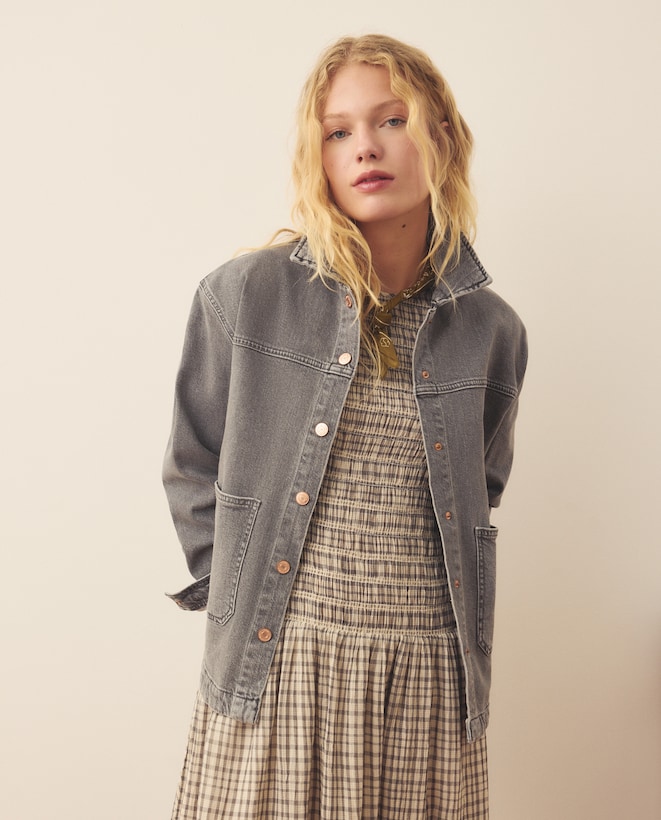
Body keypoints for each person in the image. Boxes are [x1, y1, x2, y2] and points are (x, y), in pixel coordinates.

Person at [163, 33, 527, 819]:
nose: (365, 147)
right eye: (337, 132)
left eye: (391, 120)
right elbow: (192, 465)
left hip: (427, 680)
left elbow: (481, 488)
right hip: (277, 666)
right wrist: (235, 596)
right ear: (317, 157)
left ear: (440, 136)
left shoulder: (491, 332)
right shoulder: (244, 296)